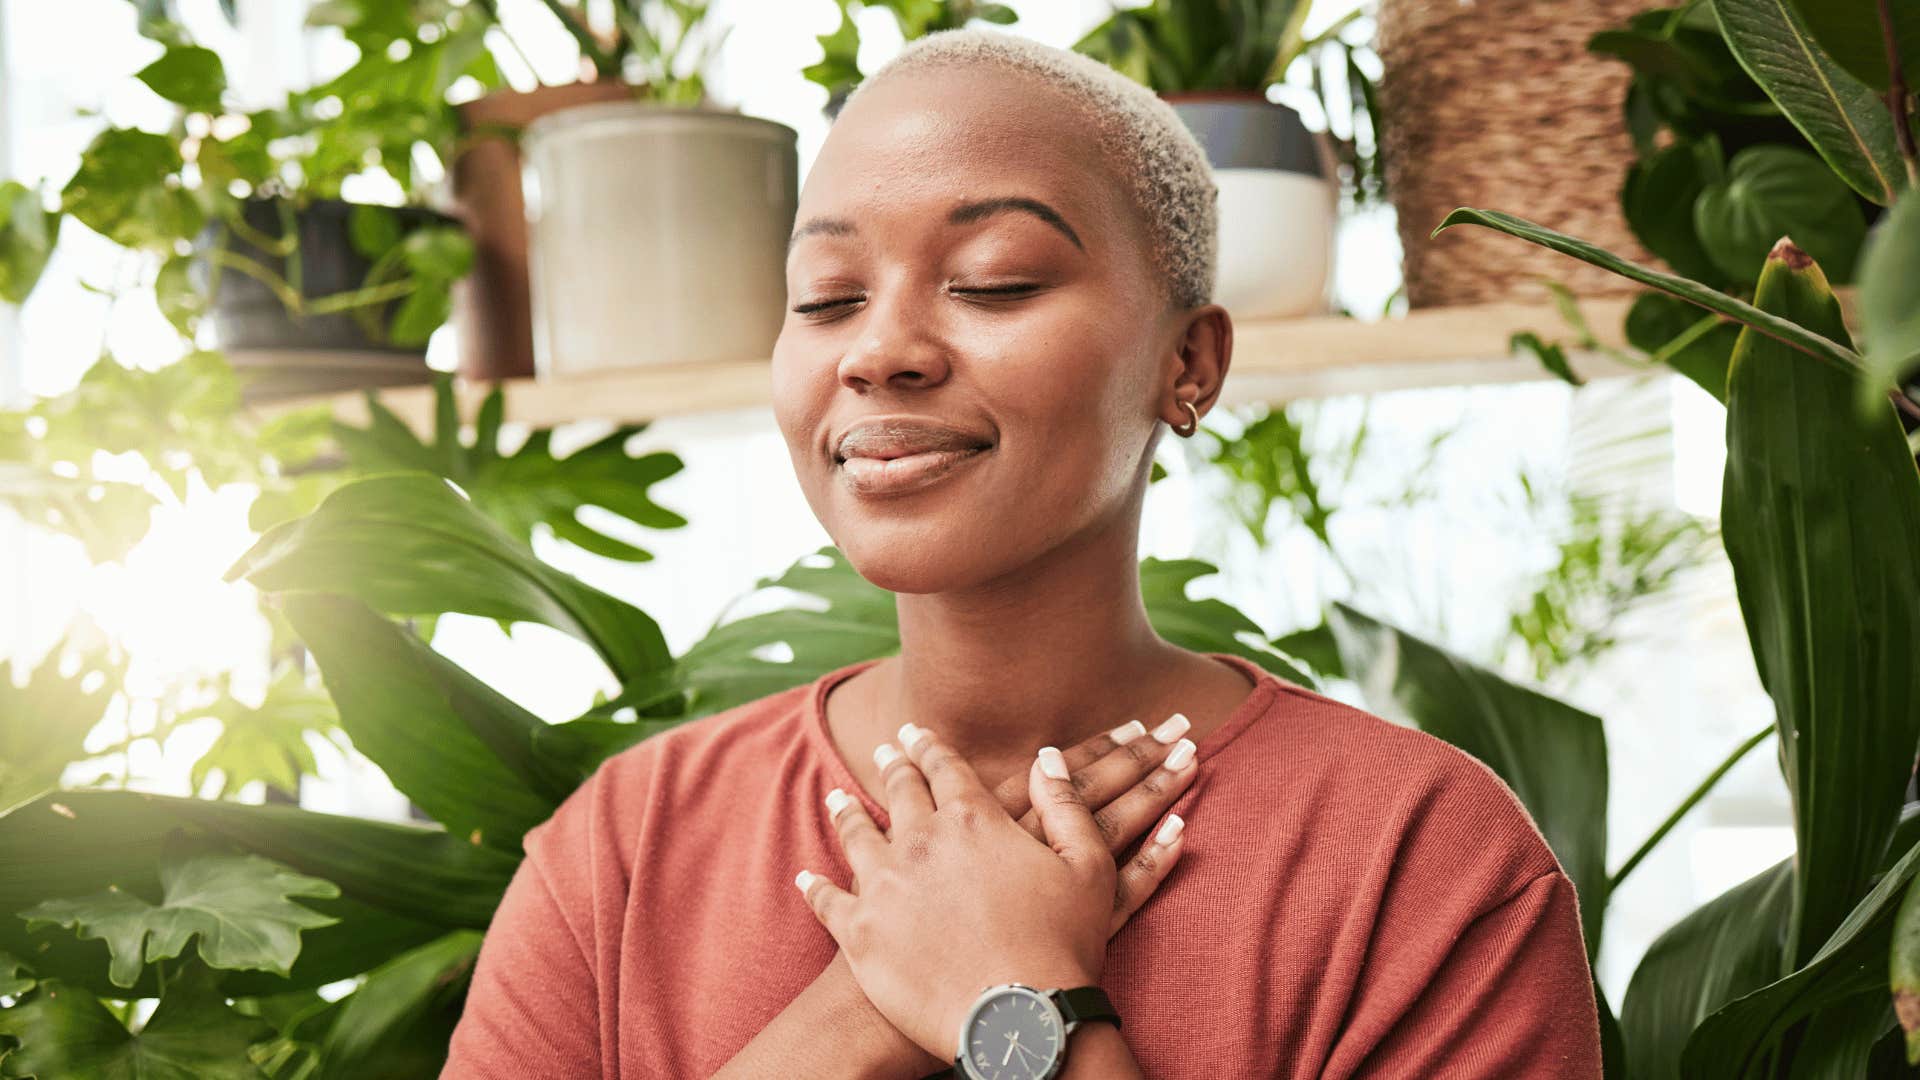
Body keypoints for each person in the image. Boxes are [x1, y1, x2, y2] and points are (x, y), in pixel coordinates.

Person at [440, 28, 1603, 1080]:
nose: (880, 349)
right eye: (827, 297)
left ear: (1188, 364)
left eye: (993, 279)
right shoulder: (628, 847)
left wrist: (1028, 1007)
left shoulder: (1418, 861)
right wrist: (864, 1005)